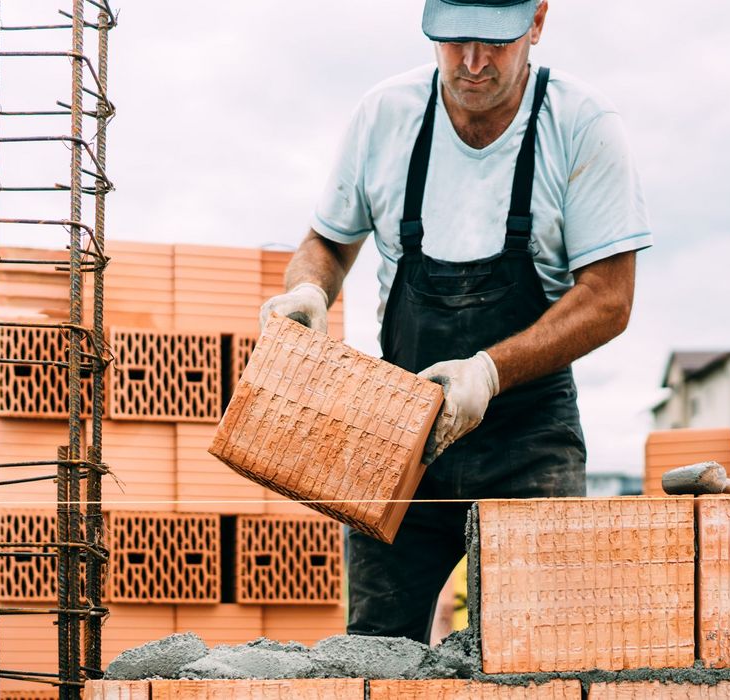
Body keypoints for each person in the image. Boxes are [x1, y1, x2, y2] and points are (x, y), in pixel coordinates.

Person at [259, 0, 652, 643]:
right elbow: (326, 243)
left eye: (493, 43)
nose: (471, 63)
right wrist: (308, 291)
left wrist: (489, 373)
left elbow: (610, 297)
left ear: (538, 22)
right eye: (453, 41)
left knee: (536, 656)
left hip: (528, 444)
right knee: (376, 657)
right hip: (397, 440)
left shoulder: (582, 125)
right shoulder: (386, 116)